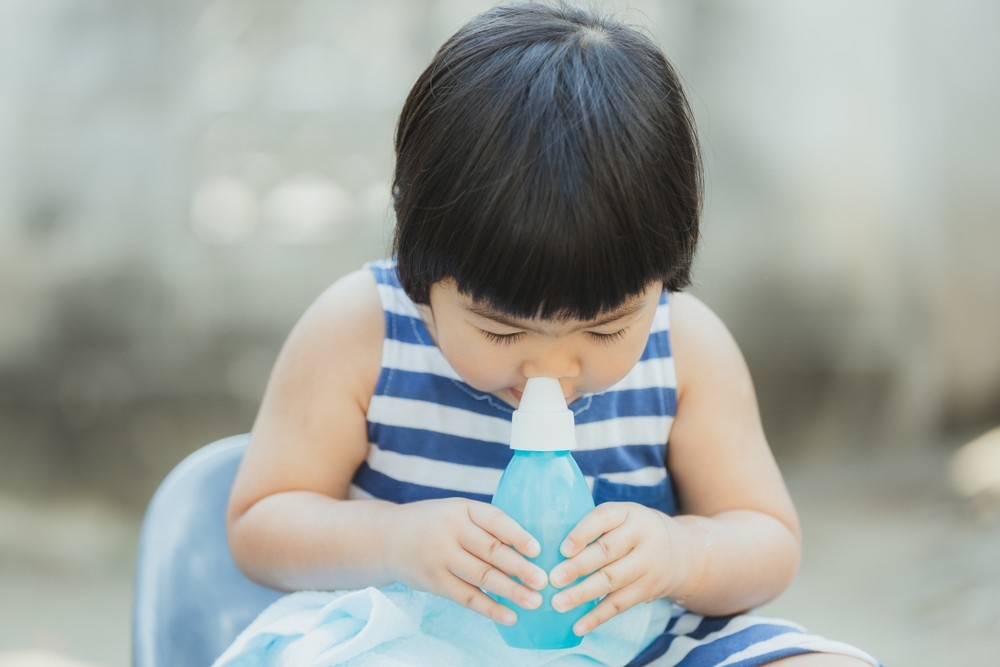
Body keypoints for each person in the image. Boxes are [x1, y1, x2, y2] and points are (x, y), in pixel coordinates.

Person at [223, 2, 881, 665]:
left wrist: (682, 553)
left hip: (635, 639)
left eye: (606, 328)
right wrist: (395, 539)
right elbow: (260, 524)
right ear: (423, 269)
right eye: (502, 331)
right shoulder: (363, 330)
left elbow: (766, 538)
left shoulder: (686, 350)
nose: (554, 369)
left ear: (665, 276)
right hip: (410, 635)